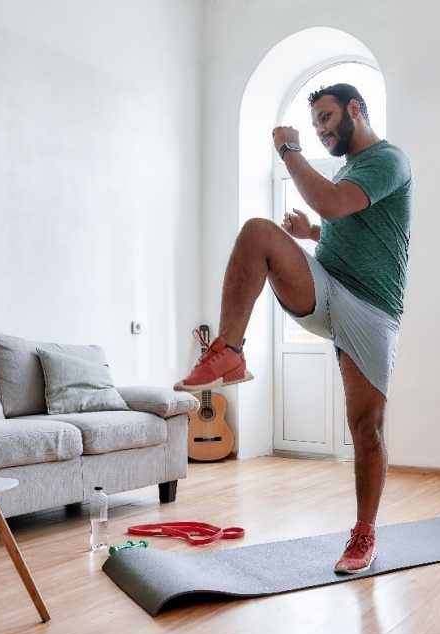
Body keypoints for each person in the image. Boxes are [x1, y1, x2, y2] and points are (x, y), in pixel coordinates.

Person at [176, 83, 413, 575]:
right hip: (328, 288)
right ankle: (229, 350)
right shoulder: (350, 169)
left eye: (326, 119)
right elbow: (345, 223)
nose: (322, 131)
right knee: (259, 232)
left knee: (364, 427)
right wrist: (312, 236)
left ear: (355, 109)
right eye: (315, 125)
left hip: (371, 310)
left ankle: (364, 533)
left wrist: (288, 150)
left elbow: (332, 203)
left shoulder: (388, 161)